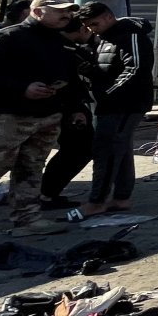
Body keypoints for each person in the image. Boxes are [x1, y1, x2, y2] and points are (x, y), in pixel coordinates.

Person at [0, 0, 86, 243]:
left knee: (31, 169)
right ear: (37, 11)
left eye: (68, 11)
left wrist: (75, 107)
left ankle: (27, 218)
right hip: (6, 116)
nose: (66, 15)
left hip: (47, 117)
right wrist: (21, 88)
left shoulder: (63, 43)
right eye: (59, 11)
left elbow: (72, 80)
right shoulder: (6, 37)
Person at [74, 1, 155, 217]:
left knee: (107, 151)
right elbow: (109, 68)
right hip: (113, 103)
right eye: (89, 26)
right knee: (120, 150)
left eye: (95, 24)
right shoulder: (105, 38)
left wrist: (109, 90)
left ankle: (98, 200)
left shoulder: (130, 34)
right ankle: (120, 198)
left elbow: (136, 68)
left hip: (125, 103)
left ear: (109, 17)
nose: (92, 29)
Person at [39, 19, 100, 211]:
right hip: (67, 108)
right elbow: (70, 81)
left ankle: (46, 193)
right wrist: (75, 109)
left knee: (74, 150)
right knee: (79, 149)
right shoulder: (66, 50)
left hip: (64, 106)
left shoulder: (58, 46)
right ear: (82, 28)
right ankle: (46, 194)